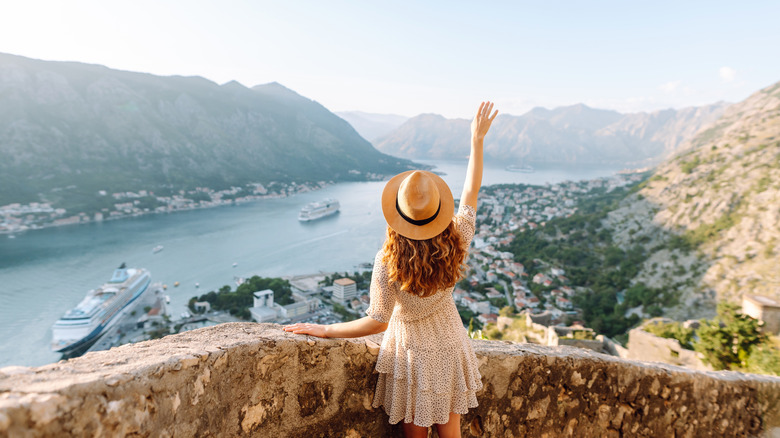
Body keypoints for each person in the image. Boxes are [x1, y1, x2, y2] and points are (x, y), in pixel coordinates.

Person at [284, 102, 498, 438]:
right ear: (438, 211)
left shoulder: (389, 261)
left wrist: (326, 330)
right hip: (451, 343)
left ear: (398, 215)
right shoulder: (456, 239)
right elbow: (471, 193)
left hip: (413, 355)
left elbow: (377, 320)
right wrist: (476, 140)